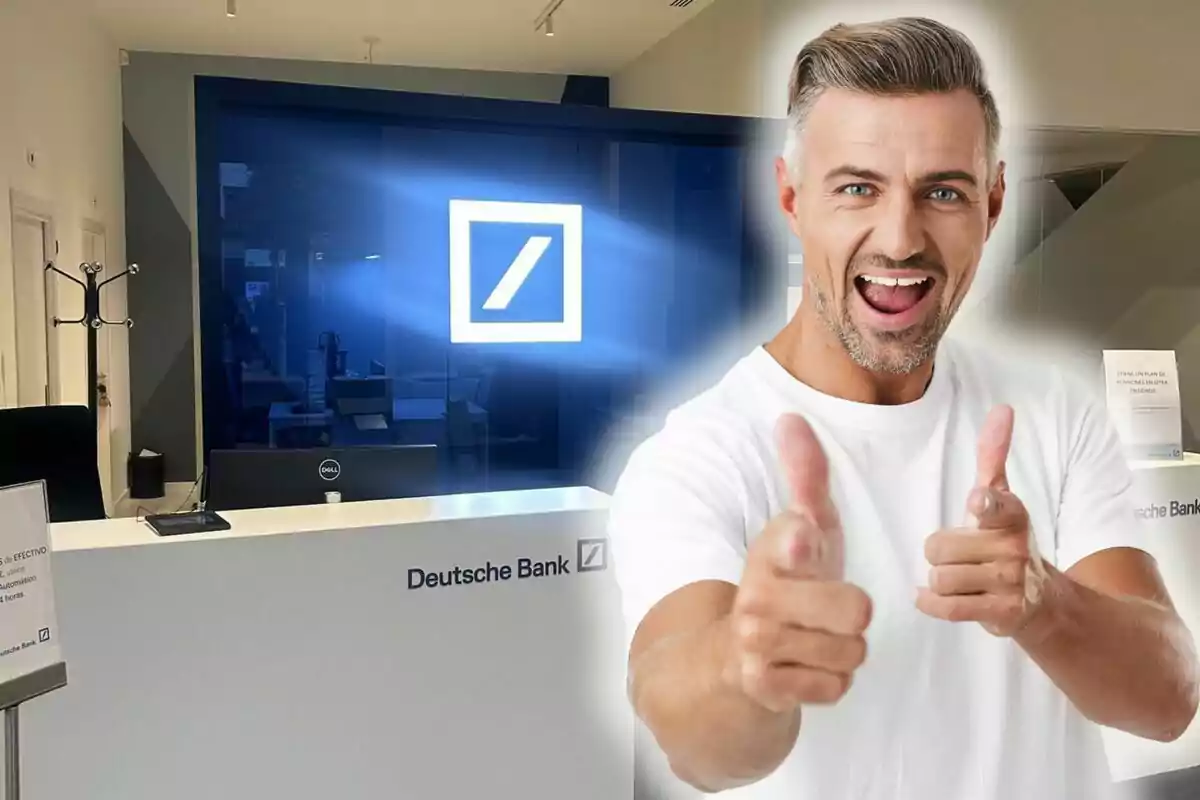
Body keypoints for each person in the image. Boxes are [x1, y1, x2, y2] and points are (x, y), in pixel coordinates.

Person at [607, 16, 1199, 800]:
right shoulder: (696, 456)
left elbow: (1168, 703)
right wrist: (748, 664)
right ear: (792, 196)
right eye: (858, 188)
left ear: (991, 204)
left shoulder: (1052, 412)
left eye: (942, 192)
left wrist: (1045, 604)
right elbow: (697, 745)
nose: (899, 238)